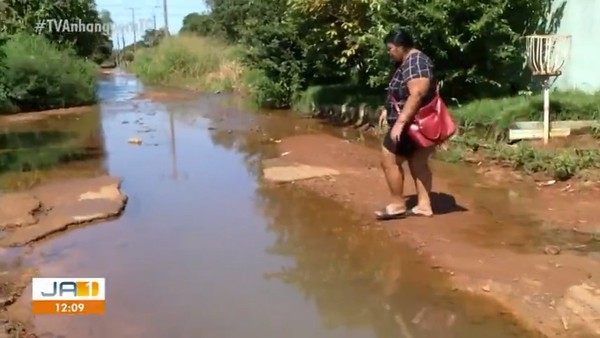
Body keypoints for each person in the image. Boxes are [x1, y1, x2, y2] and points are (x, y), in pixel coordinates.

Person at [375, 28, 436, 221]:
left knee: (389, 159)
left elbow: (417, 93)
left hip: (411, 123)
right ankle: (424, 206)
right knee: (418, 162)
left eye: (391, 48)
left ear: (401, 47)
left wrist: (400, 123)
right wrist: (389, 108)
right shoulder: (408, 61)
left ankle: (397, 205)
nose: (389, 52)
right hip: (415, 122)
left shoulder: (415, 61)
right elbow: (402, 91)